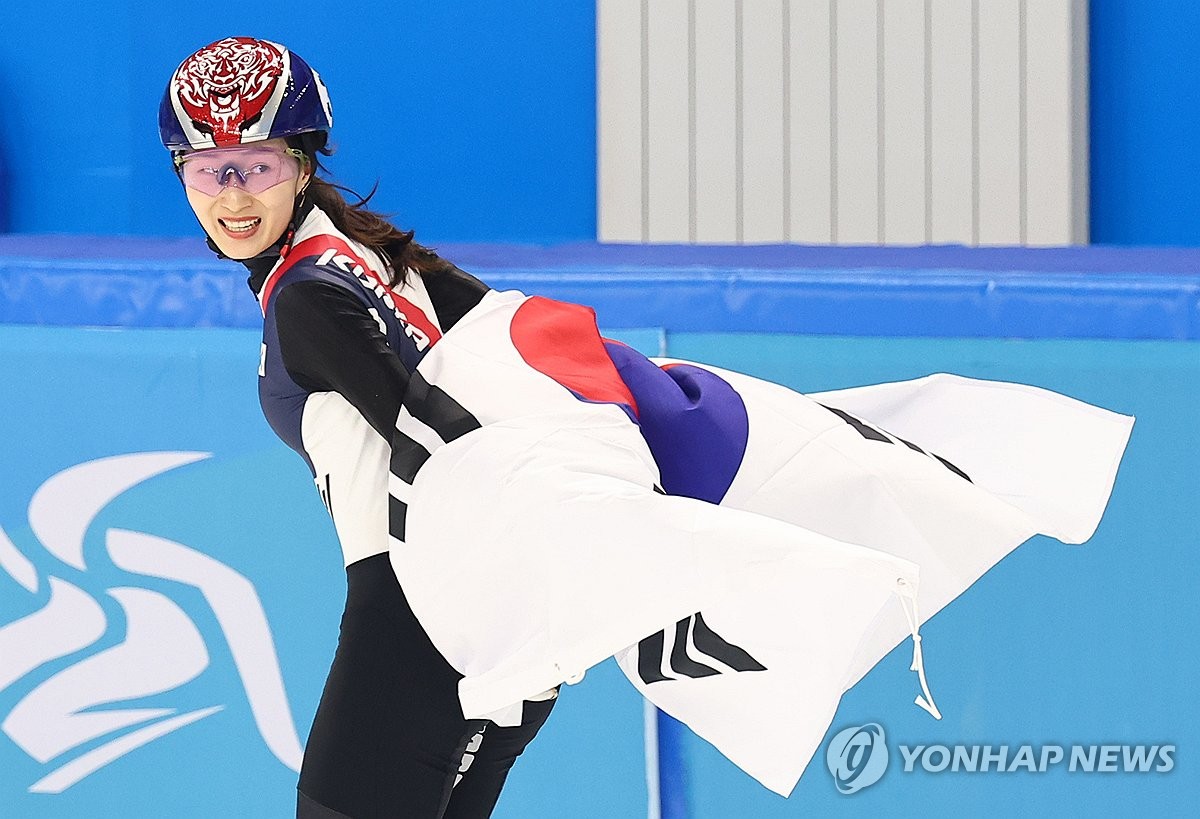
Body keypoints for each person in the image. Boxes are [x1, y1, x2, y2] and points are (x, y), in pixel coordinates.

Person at [161, 37, 1133, 816]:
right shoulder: (379, 259)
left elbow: (439, 429)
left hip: (427, 610)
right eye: (208, 172)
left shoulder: (309, 299)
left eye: (254, 164)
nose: (233, 195)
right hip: (507, 604)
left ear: (301, 163)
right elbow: (532, 353)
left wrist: (592, 530)